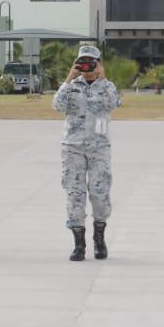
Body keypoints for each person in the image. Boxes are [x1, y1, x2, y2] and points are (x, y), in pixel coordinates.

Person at [53, 45, 120, 261]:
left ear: (98, 63)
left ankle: (99, 237)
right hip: (72, 147)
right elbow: (57, 105)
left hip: (99, 147)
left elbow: (114, 103)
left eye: (90, 62)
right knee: (74, 194)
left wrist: (103, 78)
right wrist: (69, 78)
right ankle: (78, 243)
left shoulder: (106, 86)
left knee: (100, 194)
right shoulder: (71, 86)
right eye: (82, 61)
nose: (86, 66)